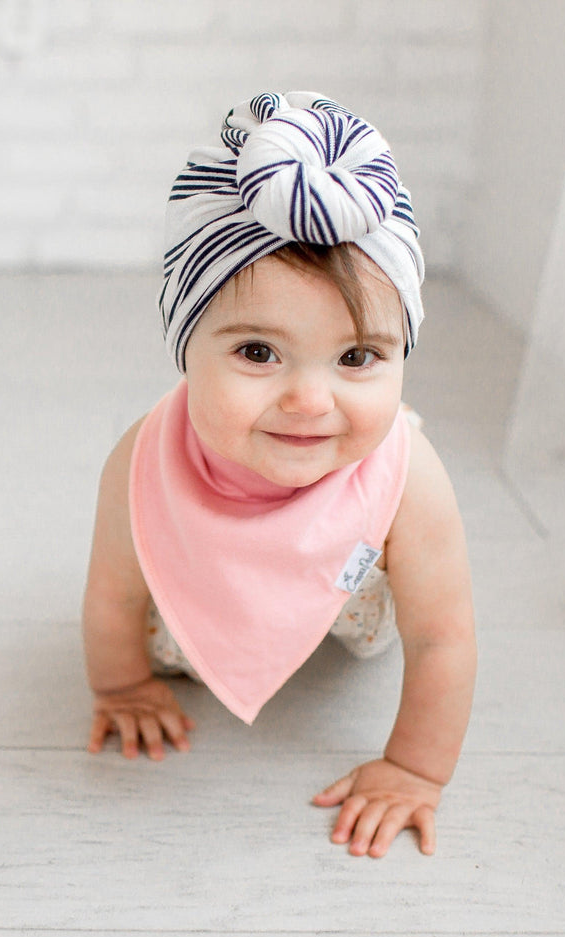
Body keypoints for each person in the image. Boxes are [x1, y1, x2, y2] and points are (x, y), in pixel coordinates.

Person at [80, 91, 476, 859]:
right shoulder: (144, 458)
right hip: (192, 585)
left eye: (356, 357)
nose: (307, 400)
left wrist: (413, 768)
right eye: (258, 352)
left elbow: (442, 637)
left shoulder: (405, 474)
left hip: (353, 603)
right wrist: (119, 683)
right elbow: (113, 592)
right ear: (185, 346)